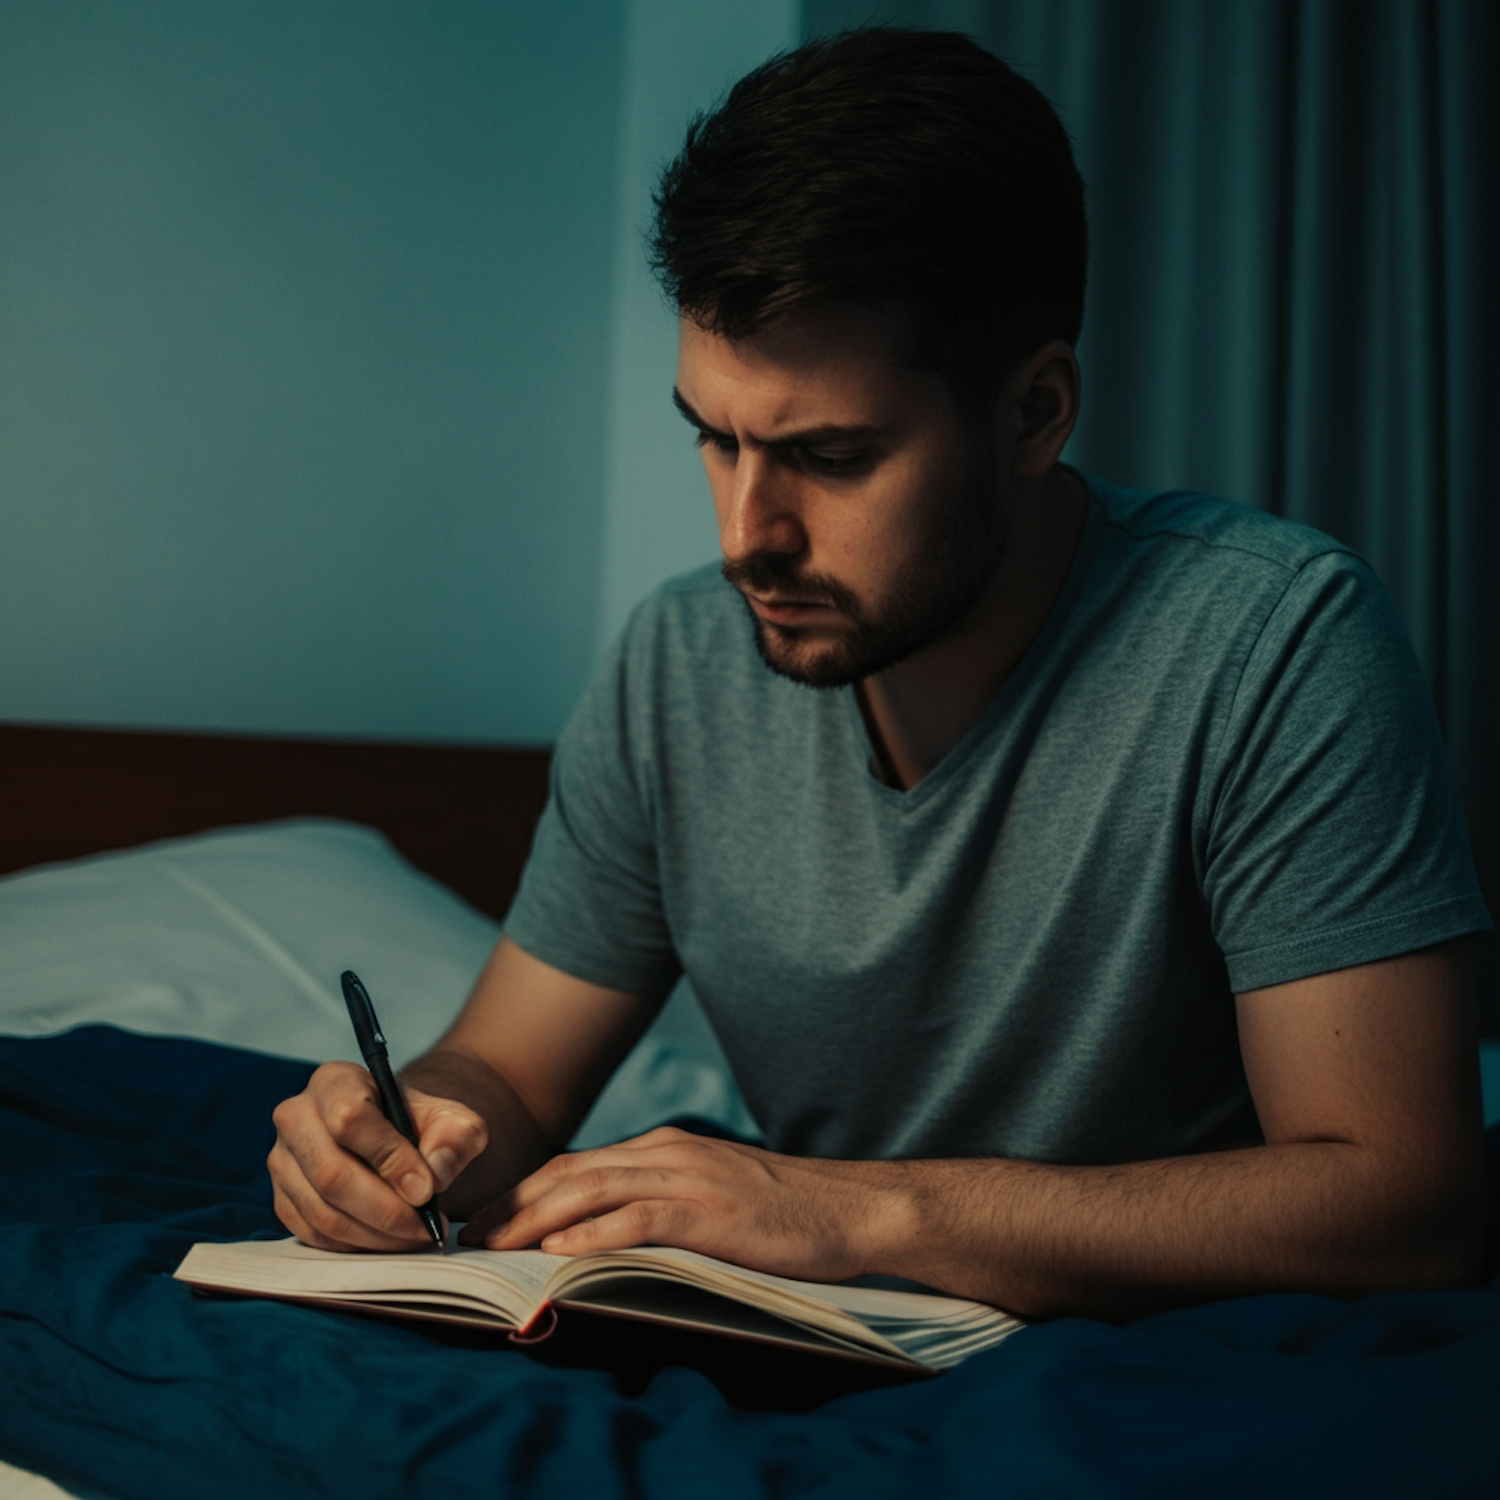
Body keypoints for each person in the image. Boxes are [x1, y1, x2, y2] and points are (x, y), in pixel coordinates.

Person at [268, 27, 1490, 1321]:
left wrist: (857, 1209)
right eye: (715, 441)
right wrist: (410, 1143)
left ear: (1034, 413)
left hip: (1189, 1363)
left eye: (833, 458)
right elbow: (509, 1073)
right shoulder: (674, 666)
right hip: (839, 1351)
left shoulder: (1275, 639)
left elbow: (1411, 1203)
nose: (748, 538)